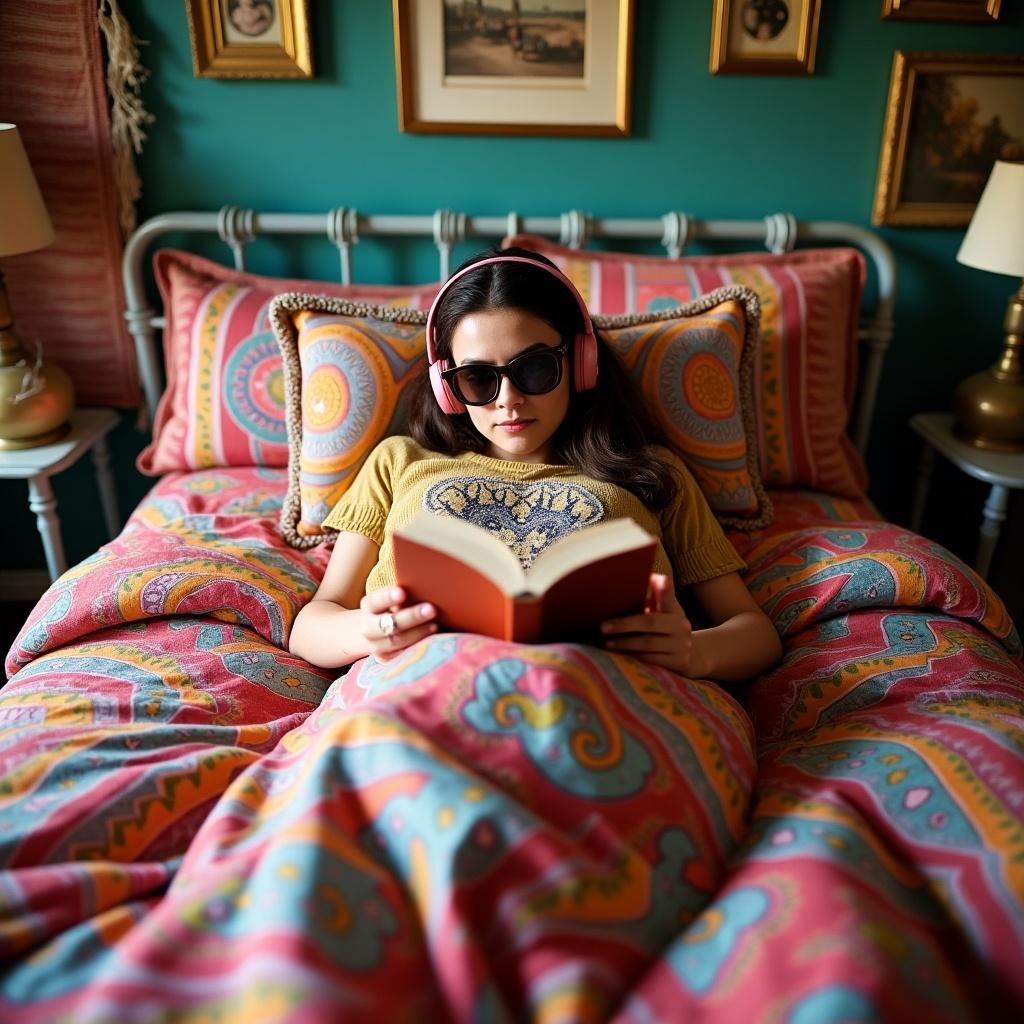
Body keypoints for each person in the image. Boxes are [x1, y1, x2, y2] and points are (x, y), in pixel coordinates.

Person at [288, 248, 782, 681]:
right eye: (478, 379)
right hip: (421, 693)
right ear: (448, 387)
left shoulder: (654, 473)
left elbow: (756, 634)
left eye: (535, 368)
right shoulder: (399, 462)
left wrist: (693, 652)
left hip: (604, 700)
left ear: (582, 363)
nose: (509, 400)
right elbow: (313, 624)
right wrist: (370, 630)